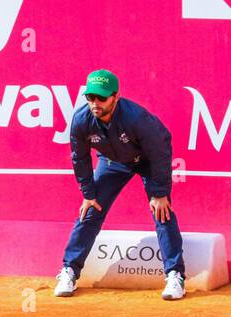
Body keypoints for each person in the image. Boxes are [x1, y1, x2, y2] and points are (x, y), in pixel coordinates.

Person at [55, 69, 185, 301]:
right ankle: (69, 271)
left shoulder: (137, 118)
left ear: (116, 96)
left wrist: (160, 193)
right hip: (113, 162)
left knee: (161, 210)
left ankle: (175, 275)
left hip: (147, 159)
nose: (95, 103)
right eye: (90, 97)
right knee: (91, 209)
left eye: (102, 98)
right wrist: (88, 193)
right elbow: (80, 158)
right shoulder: (81, 120)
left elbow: (160, 152)